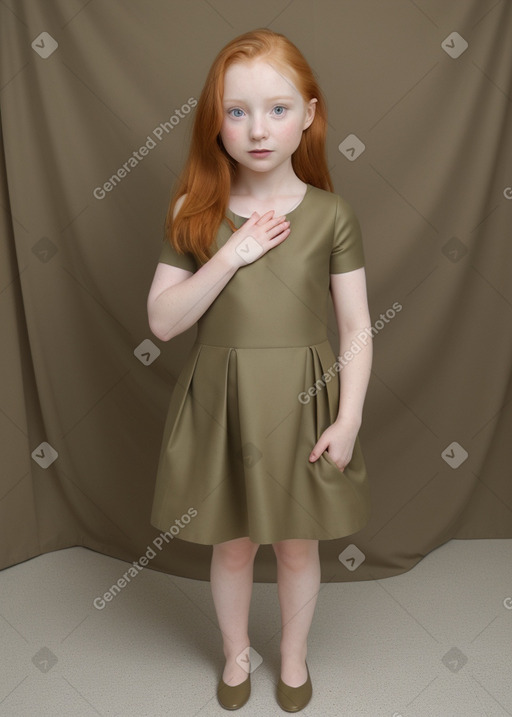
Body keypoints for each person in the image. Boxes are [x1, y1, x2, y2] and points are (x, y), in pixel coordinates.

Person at [147, 28, 372, 713]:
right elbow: (162, 322)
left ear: (308, 114)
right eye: (237, 110)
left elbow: (357, 326)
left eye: (277, 109)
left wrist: (349, 416)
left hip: (301, 404)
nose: (257, 128)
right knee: (236, 547)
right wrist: (232, 253)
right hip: (224, 404)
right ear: (216, 120)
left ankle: (294, 655)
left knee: (299, 549)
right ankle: (236, 653)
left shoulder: (332, 213)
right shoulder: (196, 211)